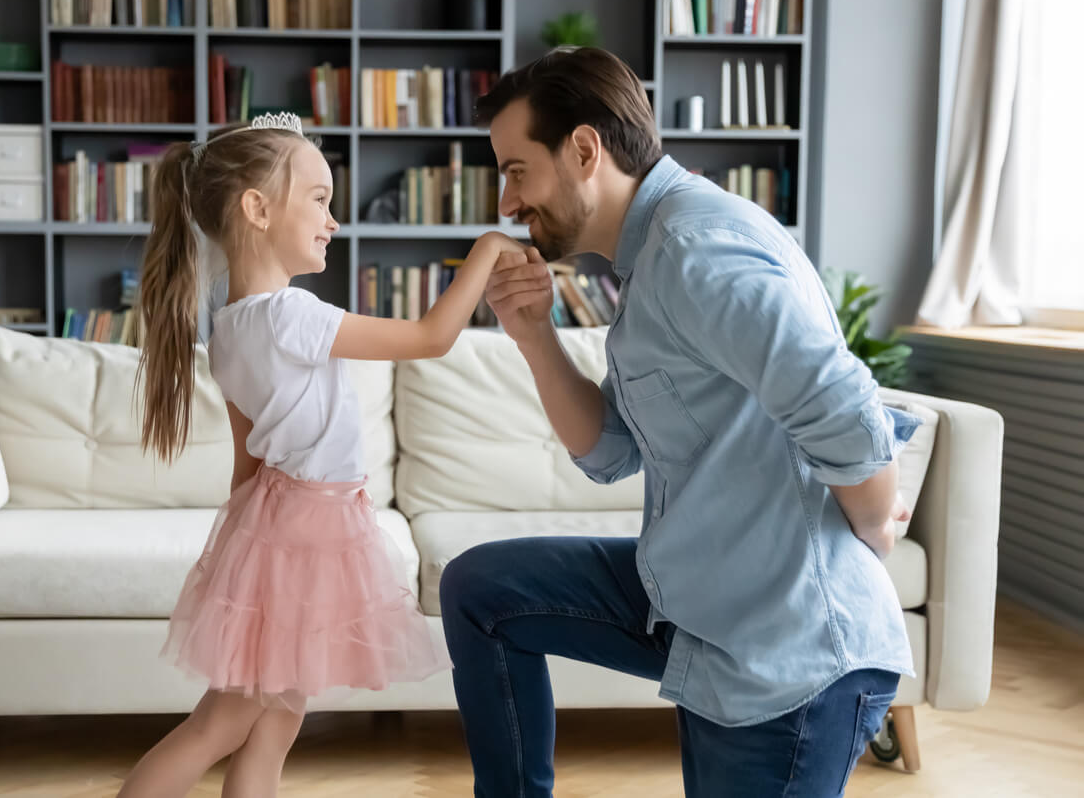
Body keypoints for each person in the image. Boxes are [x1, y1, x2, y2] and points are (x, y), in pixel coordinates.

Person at [439, 47, 920, 797]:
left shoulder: (694, 248)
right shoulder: (652, 262)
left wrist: (874, 519)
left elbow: (841, 403)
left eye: (516, 170)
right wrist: (533, 333)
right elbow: (610, 452)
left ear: (584, 150)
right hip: (701, 600)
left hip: (783, 655)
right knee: (482, 591)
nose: (507, 203)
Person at [117, 113, 526, 798]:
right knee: (223, 723)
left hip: (285, 529)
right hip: (306, 533)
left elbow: (248, 465)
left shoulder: (228, 330)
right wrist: (486, 249)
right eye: (318, 198)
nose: (332, 220)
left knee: (272, 728)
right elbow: (430, 337)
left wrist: (243, 557)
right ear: (257, 209)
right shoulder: (291, 315)